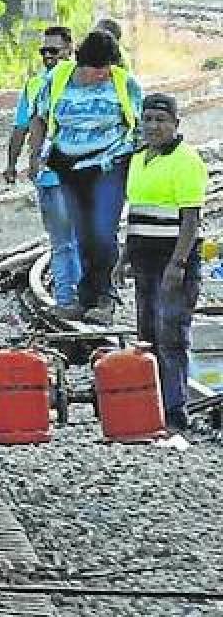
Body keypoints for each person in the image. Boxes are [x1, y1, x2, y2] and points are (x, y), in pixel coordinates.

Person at [26, 29, 144, 324]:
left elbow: (142, 122)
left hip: (109, 166)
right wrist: (35, 155)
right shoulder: (58, 79)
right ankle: (85, 297)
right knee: (82, 234)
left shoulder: (124, 82)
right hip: (67, 167)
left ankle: (105, 299)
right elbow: (39, 116)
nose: (104, 75)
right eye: (98, 70)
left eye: (108, 69)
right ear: (83, 65)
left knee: (103, 231)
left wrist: (134, 158)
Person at [122, 93, 207, 433]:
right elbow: (136, 212)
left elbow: (190, 218)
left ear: (175, 124)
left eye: (161, 120)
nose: (154, 126)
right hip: (144, 257)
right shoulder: (139, 159)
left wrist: (179, 264)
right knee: (148, 334)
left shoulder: (186, 160)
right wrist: (124, 256)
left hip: (172, 258)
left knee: (171, 334)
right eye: (149, 119)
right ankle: (151, 408)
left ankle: (175, 411)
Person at [5, 26, 81, 309]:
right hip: (51, 177)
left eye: (54, 50)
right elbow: (22, 127)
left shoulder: (86, 81)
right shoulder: (36, 84)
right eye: (44, 51)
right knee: (66, 241)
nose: (48, 56)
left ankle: (72, 298)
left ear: (69, 49)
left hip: (81, 176)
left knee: (71, 242)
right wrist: (12, 164)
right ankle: (68, 299)